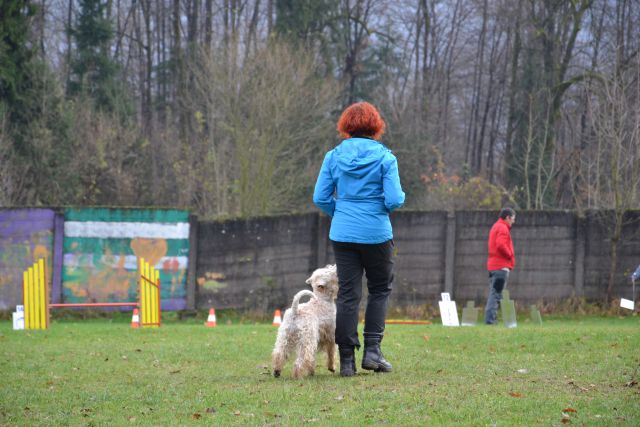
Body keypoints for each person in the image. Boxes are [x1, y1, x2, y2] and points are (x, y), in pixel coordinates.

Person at [313, 101, 405, 377]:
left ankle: (347, 362)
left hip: (343, 234)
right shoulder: (386, 158)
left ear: (346, 126)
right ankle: (373, 353)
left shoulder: (333, 156)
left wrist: (340, 212)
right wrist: (379, 208)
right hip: (377, 233)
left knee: (348, 296)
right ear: (375, 126)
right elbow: (394, 199)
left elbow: (320, 197)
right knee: (379, 290)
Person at [484, 207, 516, 325]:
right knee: (496, 295)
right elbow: (501, 245)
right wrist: (510, 254)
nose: (513, 221)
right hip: (500, 267)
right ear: (507, 217)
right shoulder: (503, 228)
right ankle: (490, 321)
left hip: (493, 267)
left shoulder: (496, 226)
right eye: (513, 218)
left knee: (494, 293)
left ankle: (491, 319)